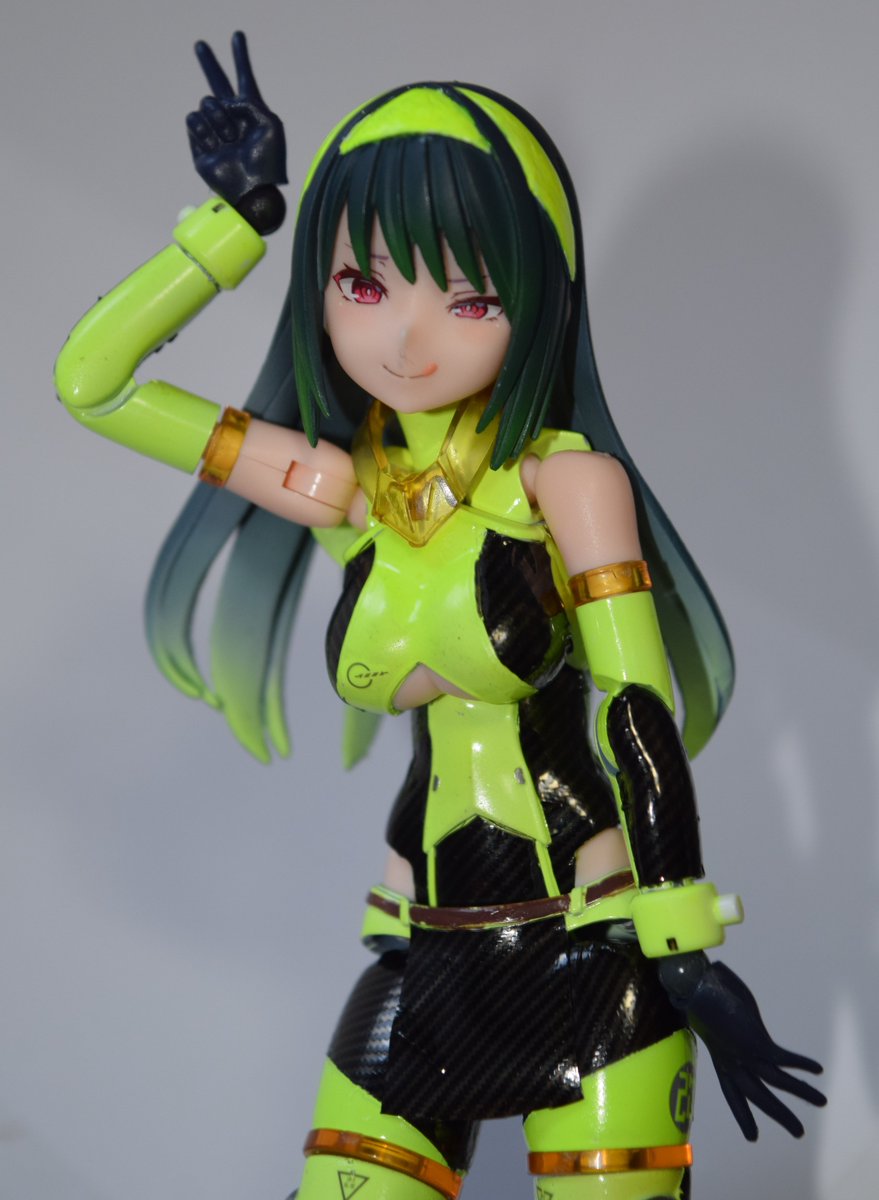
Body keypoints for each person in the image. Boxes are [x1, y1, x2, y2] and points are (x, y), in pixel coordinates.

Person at [55, 33, 824, 1200]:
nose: (407, 342)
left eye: (470, 297)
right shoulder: (341, 491)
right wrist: (231, 232)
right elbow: (93, 384)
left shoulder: (565, 484)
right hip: (419, 958)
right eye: (364, 286)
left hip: (594, 952)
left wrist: (686, 948)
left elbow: (634, 709)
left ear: (539, 300)